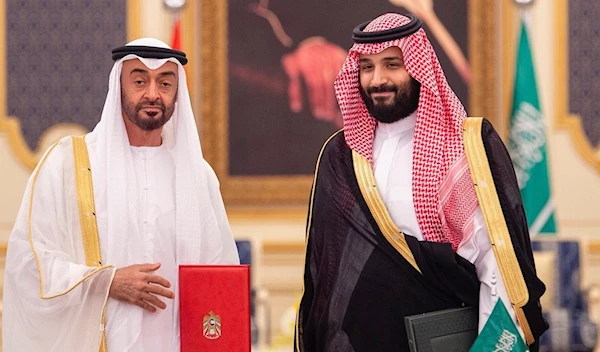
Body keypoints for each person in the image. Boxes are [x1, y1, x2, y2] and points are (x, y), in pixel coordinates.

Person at [295, 13, 548, 351]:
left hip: (442, 339)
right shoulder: (341, 155)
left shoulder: (464, 145)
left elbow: (494, 265)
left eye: (391, 64)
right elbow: (325, 274)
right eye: (367, 67)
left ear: (418, 67)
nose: (377, 79)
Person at [2, 38, 240, 352]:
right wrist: (108, 281)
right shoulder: (68, 164)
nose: (153, 93)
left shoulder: (198, 176)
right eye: (140, 81)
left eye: (165, 83)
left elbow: (218, 275)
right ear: (120, 86)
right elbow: (30, 261)